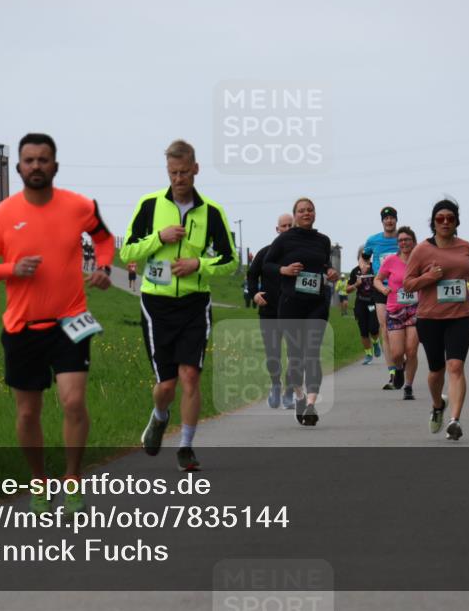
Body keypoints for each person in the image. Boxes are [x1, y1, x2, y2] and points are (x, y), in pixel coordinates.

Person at [0, 132, 113, 514]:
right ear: (18, 167)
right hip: (21, 327)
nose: (36, 166)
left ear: (55, 166)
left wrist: (102, 267)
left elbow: (103, 238)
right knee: (28, 413)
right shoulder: (3, 214)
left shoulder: (78, 206)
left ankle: (72, 480)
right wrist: (11, 268)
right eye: (29, 160)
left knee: (74, 401)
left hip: (70, 320)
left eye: (43, 159)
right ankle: (38, 481)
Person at [120, 139, 237, 471]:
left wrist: (199, 265)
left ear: (196, 169)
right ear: (167, 171)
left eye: (185, 172)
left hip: (194, 304)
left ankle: (185, 446)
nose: (179, 179)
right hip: (156, 303)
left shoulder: (212, 212)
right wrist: (159, 238)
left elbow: (229, 261)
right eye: (173, 173)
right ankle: (159, 416)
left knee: (190, 376)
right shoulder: (149, 205)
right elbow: (127, 252)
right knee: (166, 385)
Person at [402, 199, 469, 441]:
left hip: (459, 316)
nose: (445, 222)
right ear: (433, 222)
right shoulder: (422, 250)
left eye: (450, 218)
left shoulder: (465, 247)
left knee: (455, 367)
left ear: (457, 221)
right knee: (436, 371)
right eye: (440, 218)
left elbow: (468, 273)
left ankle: (455, 421)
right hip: (430, 317)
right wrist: (428, 277)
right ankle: (438, 405)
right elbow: (408, 284)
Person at [264, 197, 338, 426]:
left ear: (314, 214)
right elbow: (267, 265)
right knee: (296, 356)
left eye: (310, 210)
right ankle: (299, 395)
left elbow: (324, 264)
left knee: (312, 352)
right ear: (295, 215)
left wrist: (331, 271)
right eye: (302, 211)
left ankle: (311, 405)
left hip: (316, 303)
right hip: (291, 303)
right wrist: (284, 269)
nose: (306, 213)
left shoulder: (323, 240)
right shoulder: (285, 240)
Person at [248, 213, 295, 409]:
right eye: (283, 226)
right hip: (269, 310)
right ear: (277, 229)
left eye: (290, 226)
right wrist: (254, 294)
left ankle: (289, 393)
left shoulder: (300, 254)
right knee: (273, 354)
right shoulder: (265, 252)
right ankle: (276, 385)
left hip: (293, 310)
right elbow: (251, 275)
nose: (286, 229)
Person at [374, 226, 421, 400]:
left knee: (411, 349)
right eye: (400, 240)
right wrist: (383, 288)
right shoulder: (391, 261)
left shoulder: (421, 260)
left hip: (415, 309)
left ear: (414, 242)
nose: (403, 243)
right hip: (395, 310)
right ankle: (399, 369)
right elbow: (377, 279)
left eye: (407, 239)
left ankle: (408, 386)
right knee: (396, 353)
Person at [363, 206, 400, 390]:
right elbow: (364, 257)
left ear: (396, 220)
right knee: (384, 328)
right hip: (381, 288)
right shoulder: (373, 240)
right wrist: (365, 268)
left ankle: (401, 359)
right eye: (386, 218)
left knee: (403, 329)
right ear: (382, 221)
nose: (389, 221)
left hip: (401, 289)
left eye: (392, 218)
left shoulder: (403, 239)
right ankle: (392, 372)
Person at [347, 248, 381, 365]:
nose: (365, 260)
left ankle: (376, 342)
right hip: (360, 303)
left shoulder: (375, 268)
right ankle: (368, 354)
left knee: (373, 328)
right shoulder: (355, 271)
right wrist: (356, 284)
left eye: (367, 257)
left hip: (372, 303)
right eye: (362, 257)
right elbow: (347, 290)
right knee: (363, 330)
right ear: (358, 258)